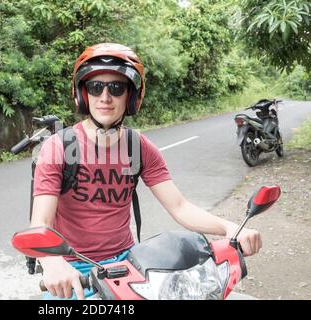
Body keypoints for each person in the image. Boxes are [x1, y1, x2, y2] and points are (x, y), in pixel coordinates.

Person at [29, 43, 262, 300]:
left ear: (130, 97)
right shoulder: (59, 147)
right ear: (83, 94)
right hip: (73, 268)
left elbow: (179, 206)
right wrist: (52, 264)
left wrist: (229, 228)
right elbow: (41, 223)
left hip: (128, 264)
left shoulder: (138, 147)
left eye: (116, 88)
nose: (105, 97)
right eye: (96, 87)